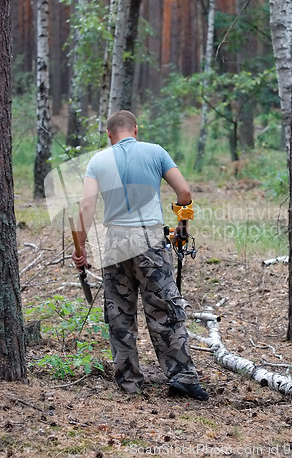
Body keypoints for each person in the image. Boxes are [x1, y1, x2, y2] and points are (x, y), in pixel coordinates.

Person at [72, 110, 208, 401]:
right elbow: (184, 192)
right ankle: (181, 377)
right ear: (136, 129)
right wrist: (182, 224)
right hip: (149, 240)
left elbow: (85, 208)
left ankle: (128, 382)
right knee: (164, 310)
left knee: (119, 313)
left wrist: (80, 249)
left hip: (115, 242)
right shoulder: (155, 152)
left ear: (109, 136)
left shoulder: (98, 161)